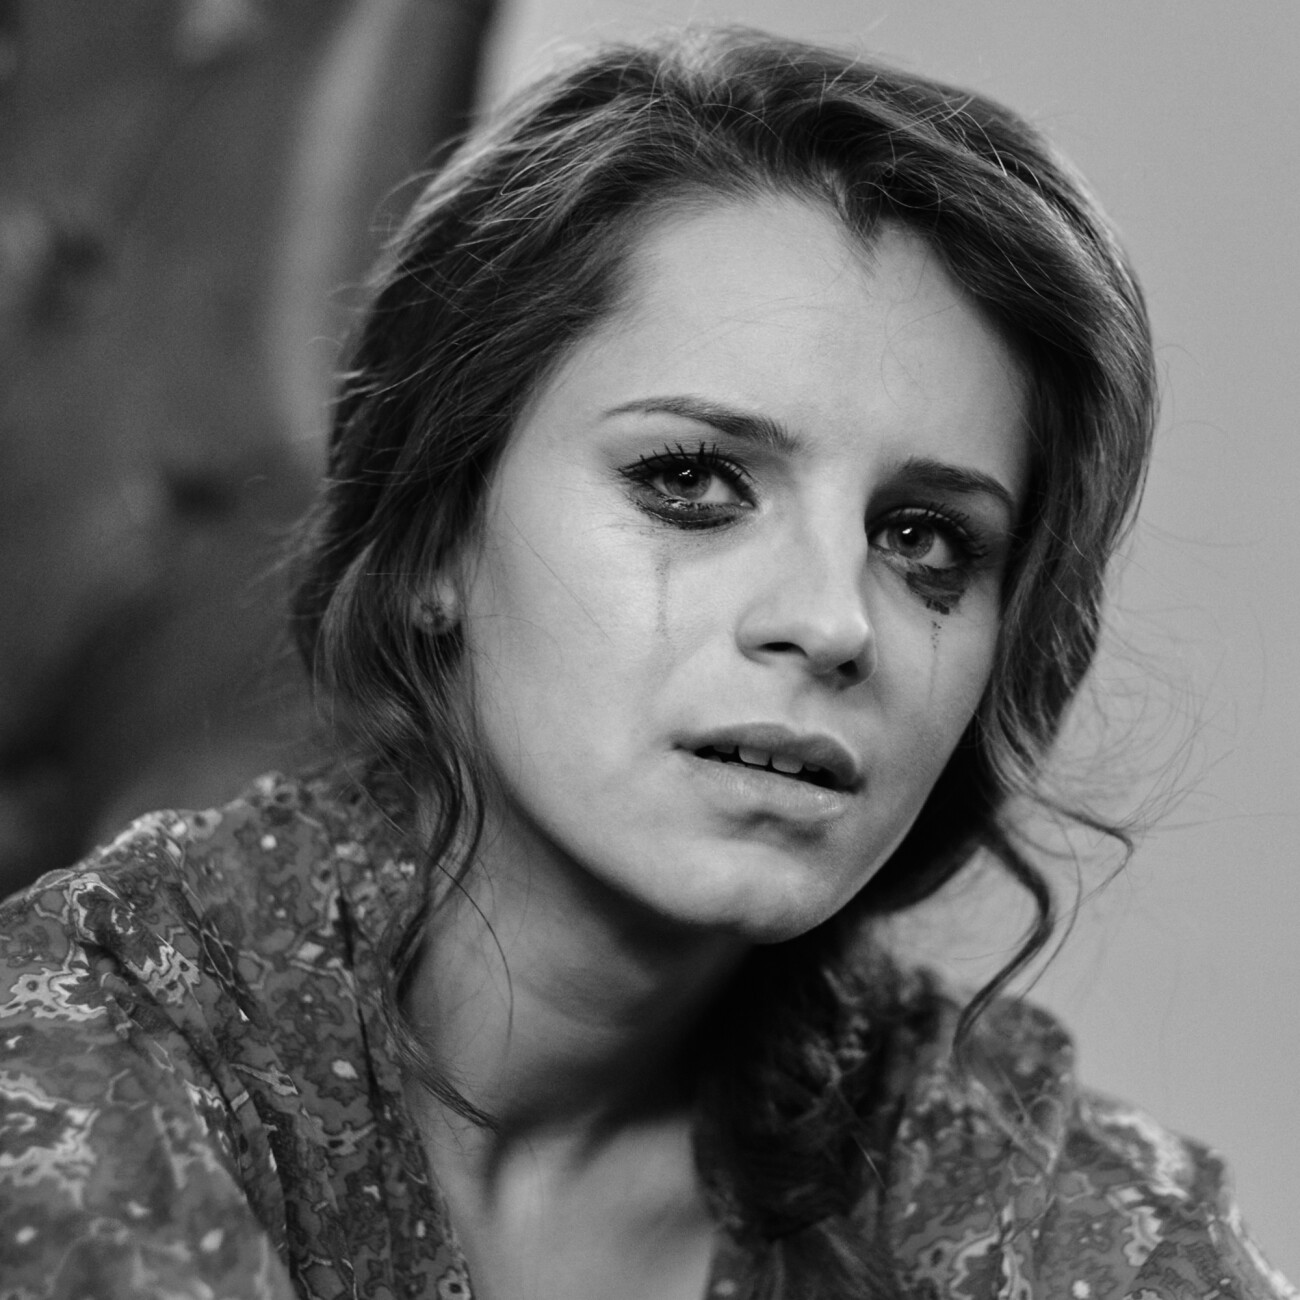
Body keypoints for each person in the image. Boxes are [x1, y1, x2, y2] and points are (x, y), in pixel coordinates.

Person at [0, 26, 1292, 1300]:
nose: (834, 622)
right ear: (438, 531)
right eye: (690, 479)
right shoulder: (73, 1080)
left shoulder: (1022, 1195)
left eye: (923, 538)